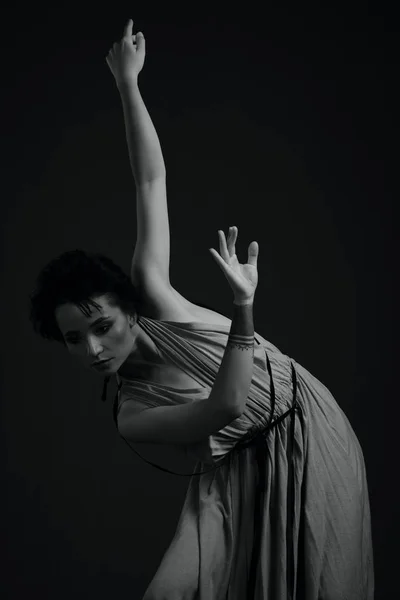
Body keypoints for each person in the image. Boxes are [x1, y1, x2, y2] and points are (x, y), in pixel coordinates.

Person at [28, 19, 374, 599]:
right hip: (234, 471)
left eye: (101, 326)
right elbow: (225, 407)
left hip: (305, 430)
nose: (91, 348)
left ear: (132, 311)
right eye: (72, 339)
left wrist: (128, 85)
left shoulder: (154, 296)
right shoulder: (133, 416)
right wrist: (242, 309)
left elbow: (150, 180)